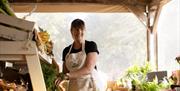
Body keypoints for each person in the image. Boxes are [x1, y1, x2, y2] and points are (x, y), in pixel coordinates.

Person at [56, 19, 99, 91]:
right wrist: (58, 76)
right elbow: (65, 72)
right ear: (71, 31)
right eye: (76, 29)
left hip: (89, 86)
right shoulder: (66, 51)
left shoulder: (91, 45)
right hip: (73, 87)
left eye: (81, 29)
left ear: (84, 31)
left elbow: (88, 69)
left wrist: (68, 75)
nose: (79, 32)